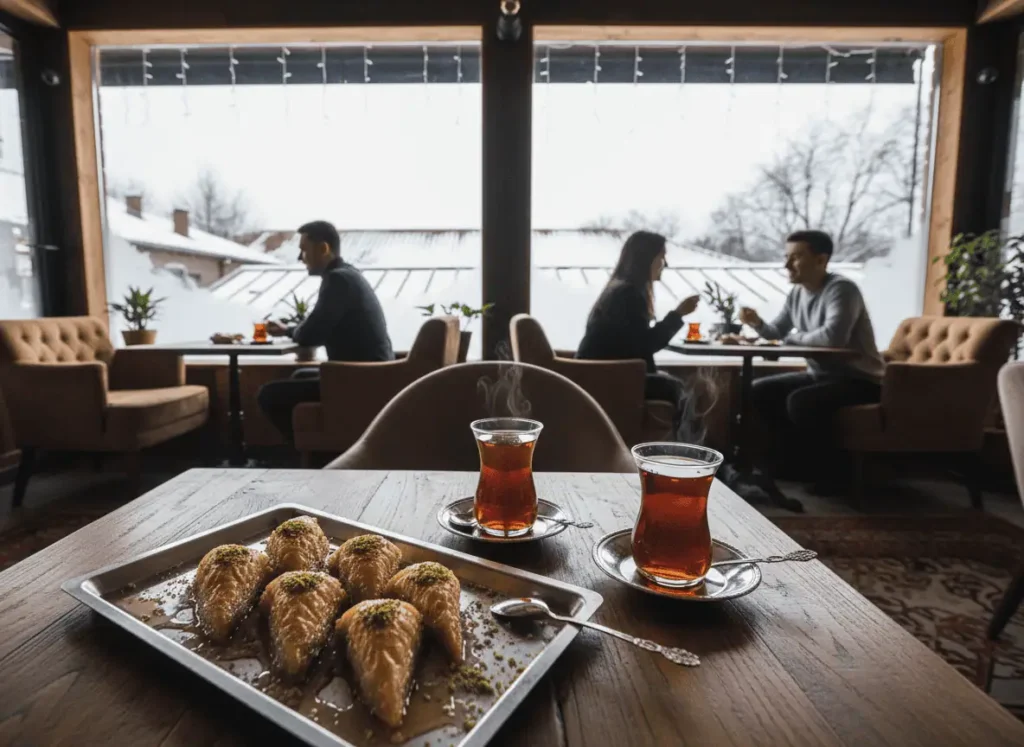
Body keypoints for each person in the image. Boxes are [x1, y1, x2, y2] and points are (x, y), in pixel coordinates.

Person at [732, 229, 884, 479]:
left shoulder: (842, 289)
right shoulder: (797, 293)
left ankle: (827, 475)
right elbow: (776, 332)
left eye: (795, 257)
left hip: (860, 379)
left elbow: (832, 337)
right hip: (823, 376)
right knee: (757, 390)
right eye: (787, 257)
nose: (786, 264)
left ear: (821, 260)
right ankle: (784, 466)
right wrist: (757, 323)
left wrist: (789, 339)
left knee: (801, 402)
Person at [258, 220, 394, 443]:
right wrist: (290, 330)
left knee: (268, 395)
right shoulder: (350, 274)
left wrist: (286, 331)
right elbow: (315, 327)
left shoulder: (337, 280)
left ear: (323, 249)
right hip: (372, 375)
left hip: (359, 380)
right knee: (300, 376)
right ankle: (311, 452)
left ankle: (307, 453)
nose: (300, 258)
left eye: (303, 250)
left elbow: (310, 335)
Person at [576, 230, 701, 438]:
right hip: (610, 378)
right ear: (646, 259)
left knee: (675, 385)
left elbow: (635, 345)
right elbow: (645, 345)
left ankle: (687, 453)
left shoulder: (620, 291)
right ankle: (693, 455)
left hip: (603, 374)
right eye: (662, 257)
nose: (666, 264)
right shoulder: (628, 295)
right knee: (680, 391)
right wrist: (678, 314)